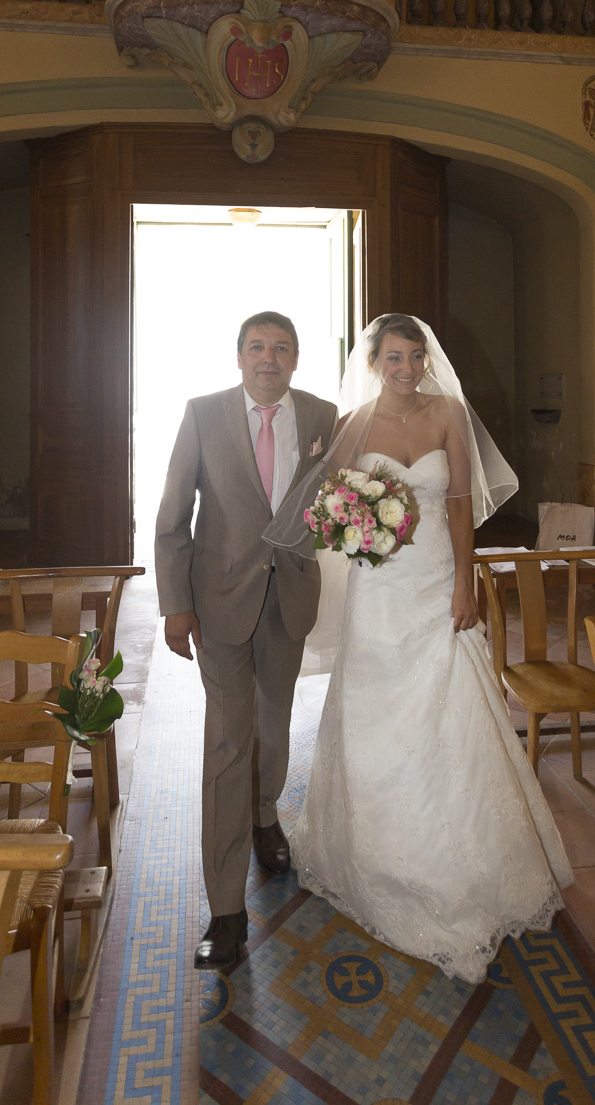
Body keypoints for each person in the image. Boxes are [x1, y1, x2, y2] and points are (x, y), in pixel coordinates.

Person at [267, 312, 573, 983]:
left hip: (437, 580)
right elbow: (328, 502)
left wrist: (465, 582)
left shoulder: (447, 414)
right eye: (394, 357)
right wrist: (356, 530)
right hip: (380, 590)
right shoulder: (355, 425)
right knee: (378, 714)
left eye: (414, 356)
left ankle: (461, 858)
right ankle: (378, 855)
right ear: (374, 362)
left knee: (449, 710)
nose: (405, 368)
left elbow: (460, 504)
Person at [155, 312, 338, 970]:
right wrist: (176, 605)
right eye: (257, 347)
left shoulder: (322, 417)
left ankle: (265, 816)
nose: (269, 357)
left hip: (288, 599)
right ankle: (226, 909)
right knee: (229, 744)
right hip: (220, 602)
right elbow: (173, 517)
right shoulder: (203, 414)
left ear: (295, 358)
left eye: (281, 347)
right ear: (239, 358)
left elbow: (331, 504)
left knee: (273, 725)